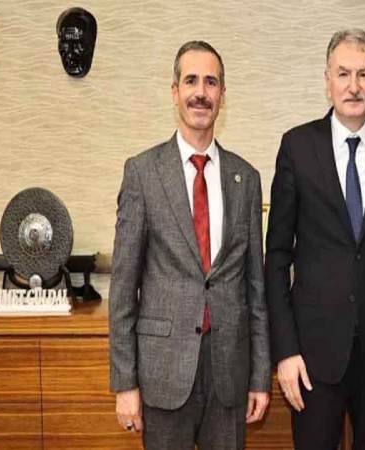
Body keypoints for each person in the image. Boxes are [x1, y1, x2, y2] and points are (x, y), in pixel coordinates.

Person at [265, 29, 365, 450]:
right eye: (343, 74)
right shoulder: (297, 147)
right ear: (327, 80)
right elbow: (277, 257)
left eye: (363, 74)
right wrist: (285, 351)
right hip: (312, 357)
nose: (354, 86)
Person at [108, 40, 270, 450]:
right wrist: (125, 383)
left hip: (229, 374)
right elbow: (123, 287)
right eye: (191, 81)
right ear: (174, 91)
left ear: (222, 95)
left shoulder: (246, 179)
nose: (201, 92)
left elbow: (256, 288)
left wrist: (260, 377)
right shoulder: (143, 173)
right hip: (163, 373)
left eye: (211, 82)